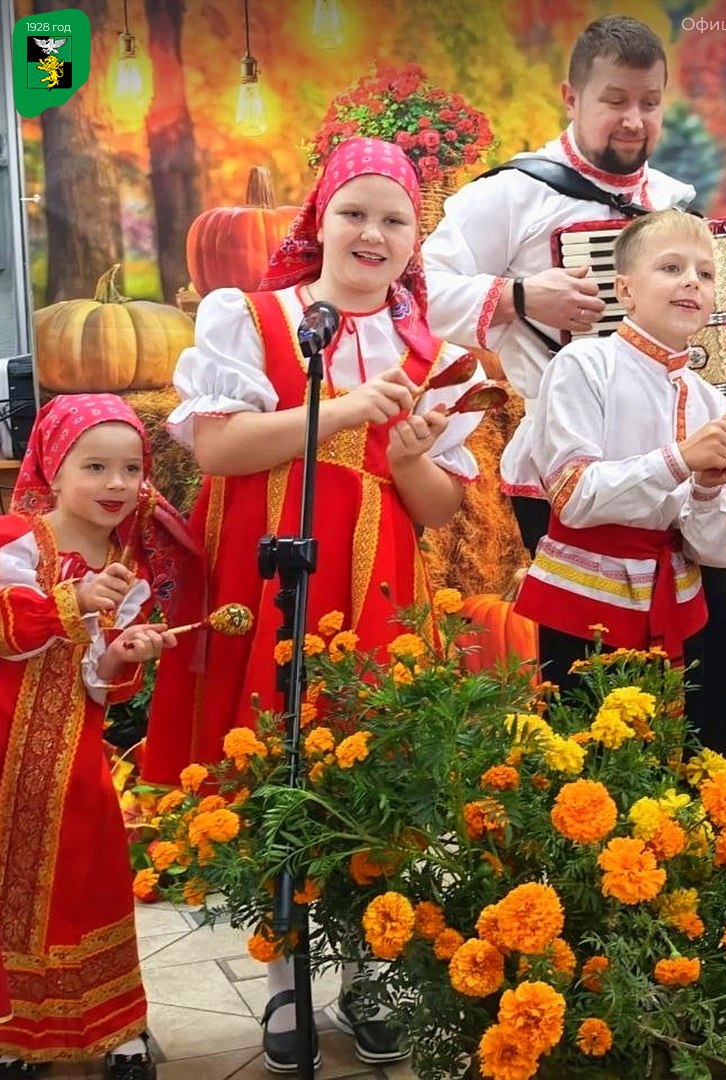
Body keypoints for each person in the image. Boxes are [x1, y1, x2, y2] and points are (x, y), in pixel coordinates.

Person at [142, 137, 484, 1072]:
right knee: (275, 763)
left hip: (375, 590)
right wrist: (341, 410)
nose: (373, 234)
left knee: (369, 774)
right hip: (270, 576)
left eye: (395, 220)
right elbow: (215, 452)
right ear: (319, 219)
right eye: (355, 213)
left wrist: (411, 448)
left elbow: (442, 509)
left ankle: (367, 971)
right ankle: (287, 979)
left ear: (417, 240)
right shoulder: (250, 319)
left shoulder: (437, 355)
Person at [423, 15, 726, 757]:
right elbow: (417, 289)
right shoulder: (511, 196)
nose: (633, 120)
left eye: (649, 101)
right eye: (614, 100)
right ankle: (586, 831)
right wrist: (517, 298)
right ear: (571, 96)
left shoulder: (676, 202)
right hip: (568, 474)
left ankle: (704, 814)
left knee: (719, 655)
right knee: (588, 676)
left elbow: (713, 330)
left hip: (676, 459)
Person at [0, 394, 202, 1080]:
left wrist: (126, 653)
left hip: (76, 756)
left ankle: (118, 1032)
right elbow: (5, 628)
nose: (117, 484)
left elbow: (102, 682)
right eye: (95, 466)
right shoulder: (15, 543)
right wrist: (69, 600)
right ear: (53, 471)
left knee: (94, 878)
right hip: (5, 750)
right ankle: (17, 1036)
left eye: (131, 468)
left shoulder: (129, 570)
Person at [513, 209, 726, 758]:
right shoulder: (582, 364)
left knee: (713, 696)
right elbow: (574, 498)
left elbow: (714, 551)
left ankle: (700, 829)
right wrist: (681, 460)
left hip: (677, 591)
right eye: (670, 267)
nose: (691, 281)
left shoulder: (712, 400)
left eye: (706, 273)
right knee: (589, 755)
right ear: (624, 287)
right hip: (588, 601)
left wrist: (709, 487)